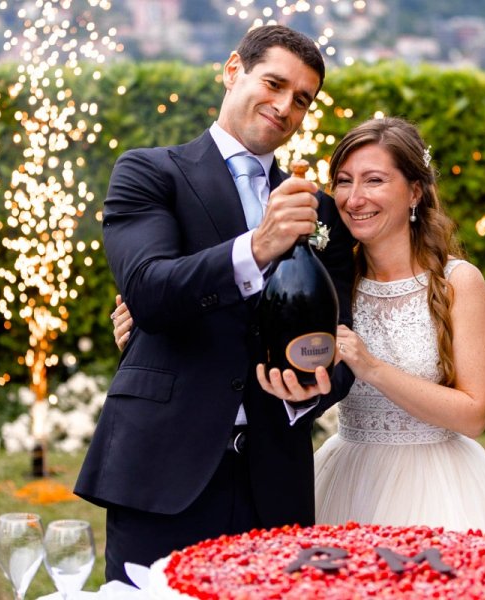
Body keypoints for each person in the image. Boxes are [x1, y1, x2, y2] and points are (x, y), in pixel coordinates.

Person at [113, 117, 485, 549]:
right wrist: (150, 331)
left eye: (374, 180)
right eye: (343, 181)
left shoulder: (459, 281)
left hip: (436, 482)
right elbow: (255, 333)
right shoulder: (327, 278)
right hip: (348, 476)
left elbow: (473, 415)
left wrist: (372, 368)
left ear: (415, 191)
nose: (355, 198)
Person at [75, 24, 356, 583]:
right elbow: (149, 291)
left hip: (274, 480)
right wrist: (258, 246)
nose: (284, 106)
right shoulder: (150, 172)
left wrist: (311, 391)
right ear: (233, 70)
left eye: (302, 99)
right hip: (162, 471)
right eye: (274, 83)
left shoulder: (319, 211)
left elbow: (339, 337)